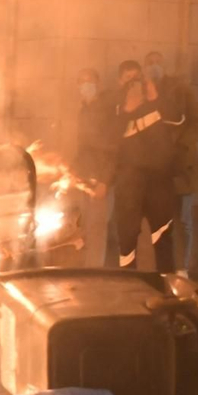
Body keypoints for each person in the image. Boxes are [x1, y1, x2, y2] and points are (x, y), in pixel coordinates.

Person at [112, 59, 184, 273]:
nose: (133, 84)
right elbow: (106, 138)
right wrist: (127, 110)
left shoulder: (158, 103)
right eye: (128, 80)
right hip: (128, 183)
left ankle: (167, 284)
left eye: (137, 79)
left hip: (158, 183)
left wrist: (154, 97)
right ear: (119, 82)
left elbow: (179, 119)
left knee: (162, 234)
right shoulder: (114, 107)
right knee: (127, 237)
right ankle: (128, 284)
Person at [144, 51, 198, 274]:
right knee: (161, 221)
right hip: (155, 169)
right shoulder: (144, 93)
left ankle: (183, 269)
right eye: (149, 63)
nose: (154, 66)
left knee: (183, 221)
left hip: (182, 168)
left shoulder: (181, 91)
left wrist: (179, 144)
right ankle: (163, 268)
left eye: (157, 62)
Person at [71, 67, 117, 268]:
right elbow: (83, 148)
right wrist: (73, 172)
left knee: (97, 229)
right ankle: (89, 269)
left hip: (100, 179)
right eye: (82, 82)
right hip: (86, 178)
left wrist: (105, 182)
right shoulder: (84, 110)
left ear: (97, 85)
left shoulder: (106, 112)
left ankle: (94, 272)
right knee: (88, 229)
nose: (85, 86)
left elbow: (114, 150)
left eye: (89, 82)